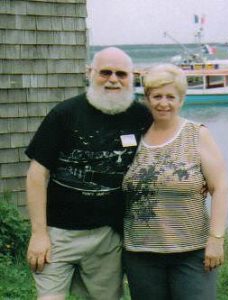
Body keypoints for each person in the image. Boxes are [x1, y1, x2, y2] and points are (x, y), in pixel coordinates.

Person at [25, 47, 152, 300]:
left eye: (121, 74)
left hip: (107, 236)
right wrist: (39, 234)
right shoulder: (64, 114)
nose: (113, 79)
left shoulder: (142, 116)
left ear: (132, 77)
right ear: (90, 73)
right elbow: (36, 175)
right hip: (58, 234)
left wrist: (203, 176)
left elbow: (171, 143)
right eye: (105, 72)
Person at [122, 64, 228, 300]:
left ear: (181, 100)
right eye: (156, 96)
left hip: (191, 252)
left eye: (170, 96)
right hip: (141, 253)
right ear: (147, 98)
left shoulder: (196, 134)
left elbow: (220, 187)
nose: (163, 103)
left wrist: (216, 239)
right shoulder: (134, 135)